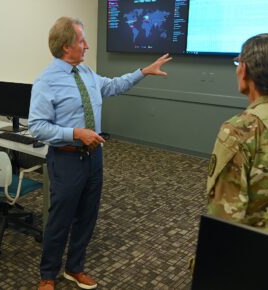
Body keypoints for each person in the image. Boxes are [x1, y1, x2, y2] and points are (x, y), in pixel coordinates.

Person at [28, 16, 172, 290]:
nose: (87, 46)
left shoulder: (87, 74)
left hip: (94, 158)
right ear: (65, 46)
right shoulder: (46, 81)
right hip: (67, 158)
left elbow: (114, 85)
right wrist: (75, 133)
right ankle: (47, 275)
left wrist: (144, 71)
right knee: (60, 220)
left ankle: (74, 267)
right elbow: (37, 127)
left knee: (87, 216)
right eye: (81, 40)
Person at [207, 33, 268, 237]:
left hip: (255, 255)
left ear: (244, 69)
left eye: (238, 62)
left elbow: (225, 219)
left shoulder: (238, 130)